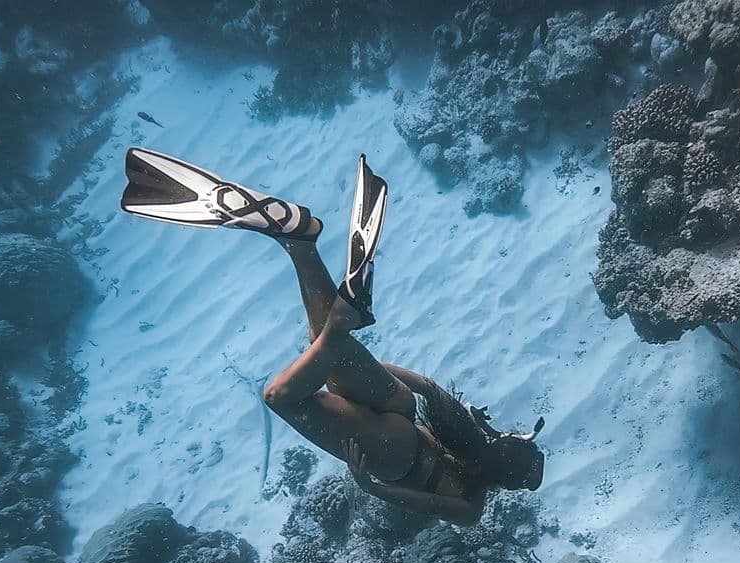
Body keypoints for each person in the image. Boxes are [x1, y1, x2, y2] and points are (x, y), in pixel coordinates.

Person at [120, 147, 544, 525]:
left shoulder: (473, 431)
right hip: (396, 455)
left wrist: (364, 362)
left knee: (325, 343)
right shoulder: (472, 507)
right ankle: (341, 324)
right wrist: (371, 487)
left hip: (401, 403)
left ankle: (300, 241)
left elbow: (428, 387)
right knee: (280, 396)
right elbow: (429, 505)